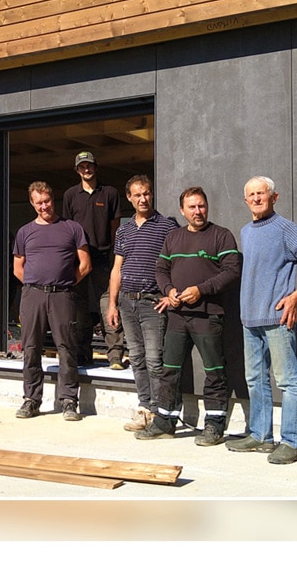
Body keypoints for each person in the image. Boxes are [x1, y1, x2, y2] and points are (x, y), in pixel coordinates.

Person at [227, 176, 297, 464]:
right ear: (245, 200)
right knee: (255, 379)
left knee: (287, 382)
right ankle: (261, 436)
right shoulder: (246, 231)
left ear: (274, 197)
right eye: (251, 194)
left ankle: (291, 441)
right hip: (249, 319)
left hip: (277, 319)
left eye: (262, 193)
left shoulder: (285, 229)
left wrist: (296, 297)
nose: (256, 198)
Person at [135, 187, 241, 446]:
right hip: (177, 316)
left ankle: (214, 425)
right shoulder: (173, 238)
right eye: (192, 207)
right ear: (182, 211)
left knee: (214, 370)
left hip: (208, 315)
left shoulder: (221, 236)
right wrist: (168, 290)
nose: (198, 211)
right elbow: (161, 269)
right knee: (169, 370)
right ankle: (165, 421)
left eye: (201, 206)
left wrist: (201, 290)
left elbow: (232, 271)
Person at [13, 181, 91, 421]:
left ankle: (69, 401)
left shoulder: (72, 228)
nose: (44, 206)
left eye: (47, 201)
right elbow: (18, 268)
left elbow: (85, 265)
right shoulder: (25, 232)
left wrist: (64, 282)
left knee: (66, 348)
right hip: (33, 295)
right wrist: (37, 285)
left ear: (52, 199)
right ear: (32, 203)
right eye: (39, 203)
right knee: (31, 348)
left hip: (62, 295)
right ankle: (31, 400)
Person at [106, 175, 179, 431]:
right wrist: (112, 304)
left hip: (153, 303)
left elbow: (176, 264)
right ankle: (144, 408)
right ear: (129, 198)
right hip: (127, 302)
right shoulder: (123, 230)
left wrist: (170, 294)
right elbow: (117, 268)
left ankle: (161, 413)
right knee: (136, 358)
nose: (143, 199)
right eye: (137, 195)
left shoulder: (167, 226)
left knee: (155, 360)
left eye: (146, 193)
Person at [62, 150, 123, 368]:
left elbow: (115, 227)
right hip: (77, 261)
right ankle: (82, 354)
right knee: (79, 309)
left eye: (89, 166)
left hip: (103, 259)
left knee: (109, 305)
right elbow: (67, 229)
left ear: (96, 167)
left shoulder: (110, 193)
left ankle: (115, 355)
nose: (86, 170)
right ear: (77, 170)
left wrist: (115, 255)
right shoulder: (70, 195)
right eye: (81, 167)